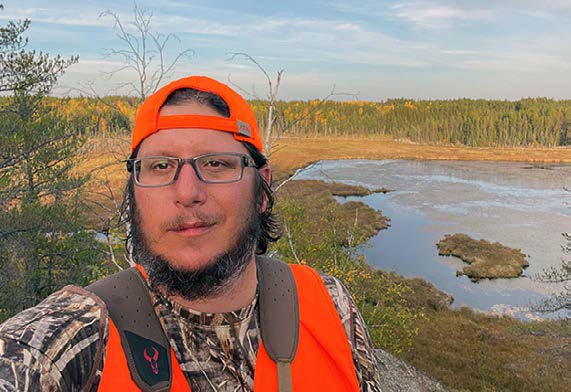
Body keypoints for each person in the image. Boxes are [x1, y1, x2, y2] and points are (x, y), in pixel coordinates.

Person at [0, 76, 382, 391]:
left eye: (216, 164)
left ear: (262, 189)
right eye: (161, 166)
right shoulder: (73, 340)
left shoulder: (331, 305)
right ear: (133, 192)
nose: (187, 194)